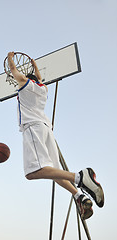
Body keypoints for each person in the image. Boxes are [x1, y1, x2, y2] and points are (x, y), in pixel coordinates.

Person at [7, 51, 104, 220]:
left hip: (33, 128)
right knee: (54, 171)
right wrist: (34, 65)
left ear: (27, 79)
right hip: (46, 129)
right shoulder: (43, 89)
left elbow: (14, 70)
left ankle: (80, 177)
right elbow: (38, 77)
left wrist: (10, 58)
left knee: (32, 172)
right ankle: (78, 196)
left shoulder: (25, 85)